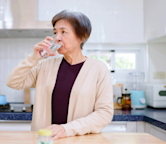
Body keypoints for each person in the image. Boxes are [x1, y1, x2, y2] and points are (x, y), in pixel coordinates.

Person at [7, 10, 113, 140]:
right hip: (45, 140)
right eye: (55, 32)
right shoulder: (45, 65)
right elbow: (13, 82)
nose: (57, 38)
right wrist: (34, 58)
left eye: (63, 32)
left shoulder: (98, 69)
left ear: (82, 36)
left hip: (79, 140)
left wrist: (66, 129)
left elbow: (104, 113)